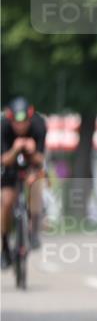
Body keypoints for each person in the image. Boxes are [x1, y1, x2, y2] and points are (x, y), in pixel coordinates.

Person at [1, 97, 47, 269]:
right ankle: (5, 247)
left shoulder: (39, 125)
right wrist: (16, 148)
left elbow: (41, 159)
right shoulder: (3, 126)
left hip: (31, 164)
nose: (20, 127)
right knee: (6, 202)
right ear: (10, 120)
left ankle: (33, 230)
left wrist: (32, 150)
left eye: (24, 122)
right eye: (16, 123)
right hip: (9, 164)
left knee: (36, 185)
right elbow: (3, 160)